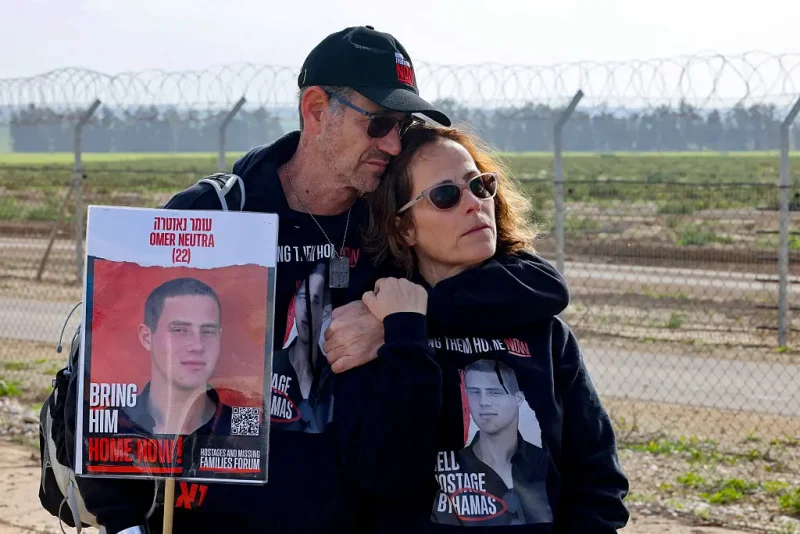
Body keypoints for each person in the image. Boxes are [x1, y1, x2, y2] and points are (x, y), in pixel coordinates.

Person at [68, 25, 454, 533]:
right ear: (316, 110)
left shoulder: (393, 222)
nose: (392, 143)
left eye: (402, 127)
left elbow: (518, 283)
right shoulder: (218, 211)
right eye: (379, 122)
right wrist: (122, 523)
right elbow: (106, 369)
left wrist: (399, 321)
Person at [361, 122, 631, 531]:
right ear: (405, 227)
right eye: (445, 195)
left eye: (480, 186)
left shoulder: (543, 330)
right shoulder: (382, 329)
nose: (473, 203)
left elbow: (597, 476)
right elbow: (386, 478)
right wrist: (406, 337)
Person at [122, 277, 233, 438]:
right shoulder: (114, 423)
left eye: (208, 331)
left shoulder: (245, 431)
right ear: (147, 337)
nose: (197, 346)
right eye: (179, 330)